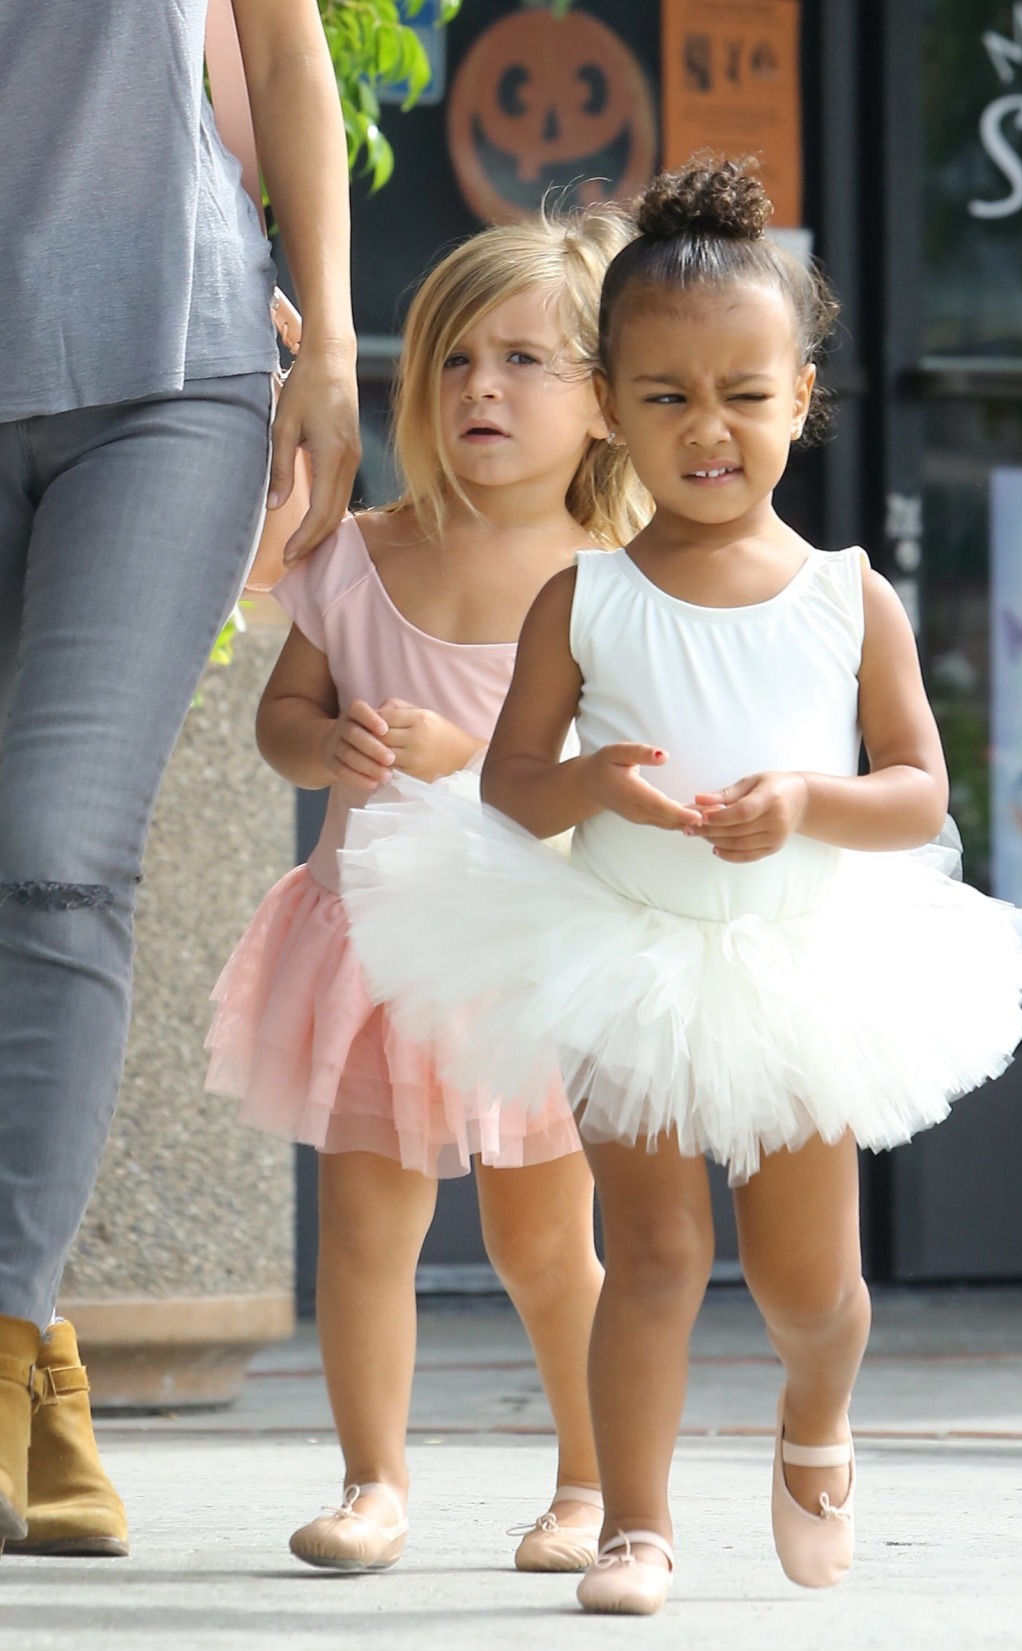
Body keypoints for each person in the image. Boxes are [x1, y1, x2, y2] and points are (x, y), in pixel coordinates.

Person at [340, 157, 1022, 1614]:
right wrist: (592, 784)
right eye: (664, 396)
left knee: (806, 1288)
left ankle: (815, 1417)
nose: (706, 427)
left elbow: (918, 790)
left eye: (742, 392)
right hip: (625, 947)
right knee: (653, 1253)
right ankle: (637, 1526)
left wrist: (807, 801)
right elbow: (509, 782)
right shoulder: (583, 594)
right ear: (608, 404)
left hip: (800, 959)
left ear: (802, 396)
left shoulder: (848, 592)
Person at [206, 210, 648, 1573]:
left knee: (542, 1238)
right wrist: (317, 741)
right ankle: (373, 1481)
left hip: (529, 951)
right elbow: (286, 714)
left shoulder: (611, 587)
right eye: (454, 361)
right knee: (364, 1228)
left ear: (603, 407)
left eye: (525, 360)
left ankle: (588, 1483)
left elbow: (624, 763)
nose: (481, 389)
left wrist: (490, 758)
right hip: (375, 954)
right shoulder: (358, 555)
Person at [0, 0, 360, 1556]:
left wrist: (333, 339)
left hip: (169, 364)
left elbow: (284, 53)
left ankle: (0, 1341)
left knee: (56, 850)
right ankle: (41, 1366)